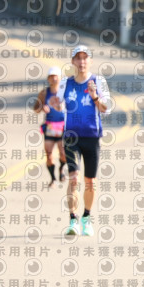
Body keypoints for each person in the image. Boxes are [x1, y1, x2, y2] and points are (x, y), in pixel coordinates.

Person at [49, 45, 111, 236]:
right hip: (71, 137)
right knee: (74, 178)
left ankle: (86, 217)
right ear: (73, 61)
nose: (82, 61)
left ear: (90, 61)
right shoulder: (65, 83)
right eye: (78, 58)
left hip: (92, 137)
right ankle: (73, 220)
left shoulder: (98, 81)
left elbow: (106, 109)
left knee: (90, 181)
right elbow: (59, 106)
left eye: (85, 58)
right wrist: (56, 105)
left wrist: (95, 97)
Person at [34, 66, 66, 188]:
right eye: (51, 77)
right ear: (48, 79)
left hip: (63, 127)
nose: (53, 79)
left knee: (63, 154)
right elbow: (36, 108)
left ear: (60, 78)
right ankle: (53, 179)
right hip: (50, 127)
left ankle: (61, 169)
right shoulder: (44, 93)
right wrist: (42, 108)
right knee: (49, 155)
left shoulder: (65, 92)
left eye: (55, 76)